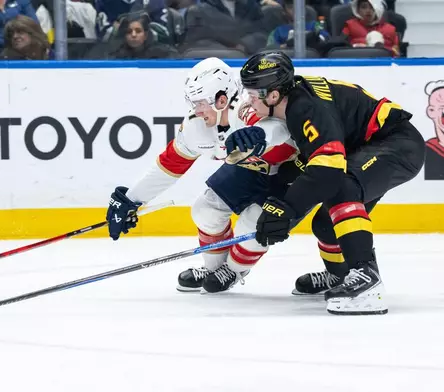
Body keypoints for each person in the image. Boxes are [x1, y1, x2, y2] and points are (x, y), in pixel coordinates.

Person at [231, 50, 424, 314]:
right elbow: (316, 159)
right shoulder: (295, 100)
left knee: (341, 186)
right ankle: (341, 274)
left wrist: (286, 208)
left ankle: (367, 279)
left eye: (253, 95)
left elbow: (329, 170)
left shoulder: (304, 108)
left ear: (274, 95)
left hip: (397, 144)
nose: (249, 102)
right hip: (366, 148)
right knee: (325, 224)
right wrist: (285, 201)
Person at [105, 57, 300, 294]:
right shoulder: (196, 128)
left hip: (291, 171)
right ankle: (214, 268)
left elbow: (281, 128)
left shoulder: (251, 108)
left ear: (222, 99)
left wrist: (259, 134)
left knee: (255, 225)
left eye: (200, 103)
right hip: (250, 169)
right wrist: (131, 200)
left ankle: (234, 269)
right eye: (192, 103)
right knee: (205, 211)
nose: (195, 110)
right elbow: (170, 165)